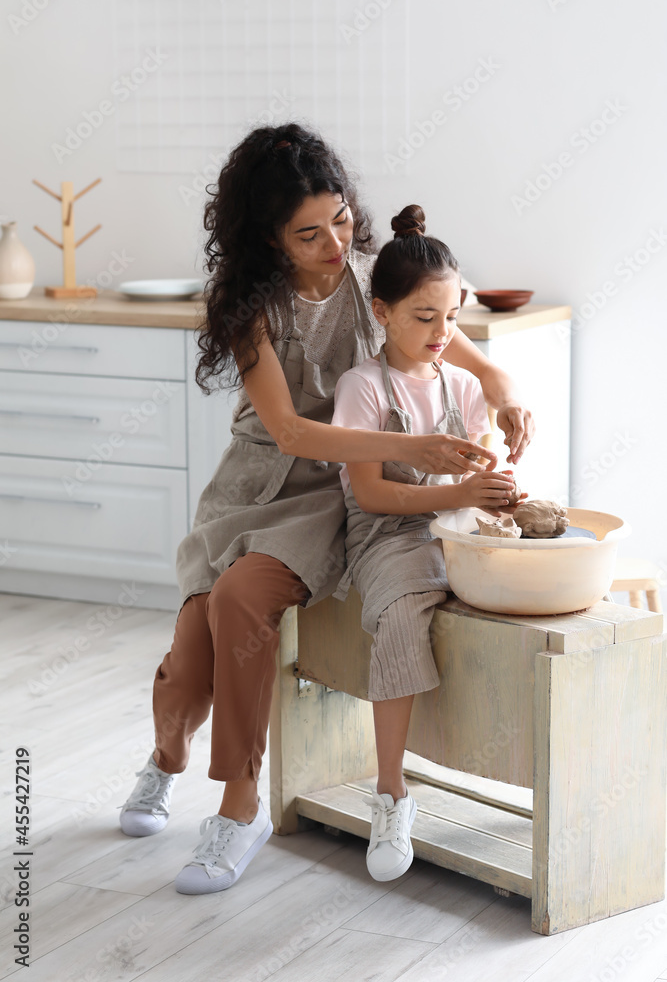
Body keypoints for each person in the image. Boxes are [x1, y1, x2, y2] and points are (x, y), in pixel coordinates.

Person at [118, 123, 534, 895]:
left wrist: (504, 391)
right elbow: (285, 430)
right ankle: (166, 758)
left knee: (243, 599)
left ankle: (238, 810)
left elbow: (461, 348)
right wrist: (411, 454)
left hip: (325, 497)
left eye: (340, 220)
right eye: (307, 234)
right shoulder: (246, 303)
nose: (334, 243)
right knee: (188, 664)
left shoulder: (372, 280)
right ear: (268, 238)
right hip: (249, 487)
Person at [330, 204, 522, 881]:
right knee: (399, 615)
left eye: (452, 316)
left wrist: (500, 488)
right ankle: (392, 792)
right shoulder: (361, 388)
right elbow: (373, 496)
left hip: (457, 528)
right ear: (380, 312)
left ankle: (506, 767)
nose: (444, 333)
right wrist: (461, 495)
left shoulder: (463, 385)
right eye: (424, 318)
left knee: (526, 606)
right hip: (389, 534)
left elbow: (481, 470)